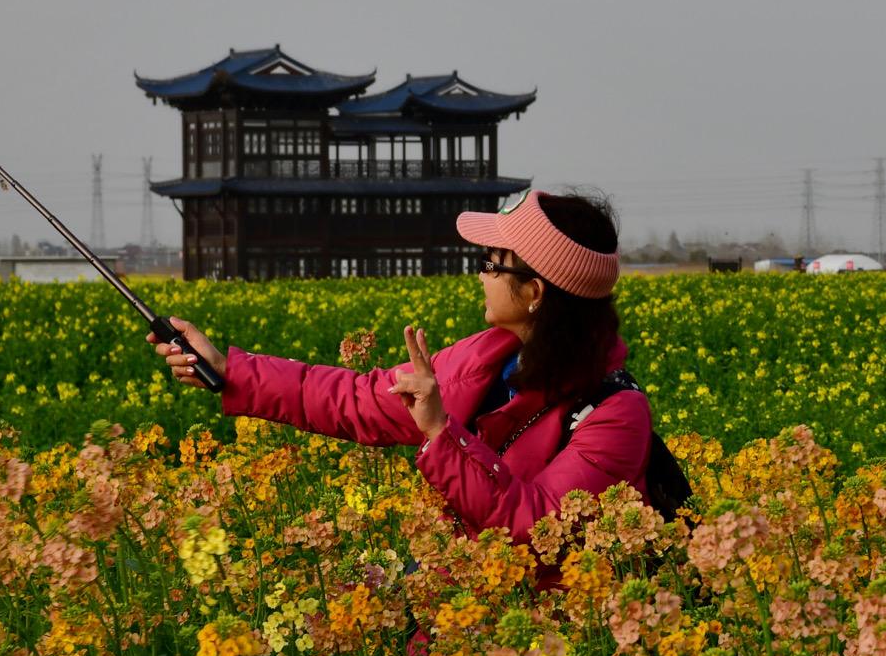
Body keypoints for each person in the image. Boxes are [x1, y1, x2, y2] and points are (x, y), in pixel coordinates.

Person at [154, 190, 662, 542]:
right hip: (459, 617)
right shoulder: (487, 358)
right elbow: (357, 399)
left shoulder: (615, 415)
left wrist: (441, 431)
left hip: (557, 654)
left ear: (534, 292)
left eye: (491, 262)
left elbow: (534, 524)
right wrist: (229, 367)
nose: (479, 273)